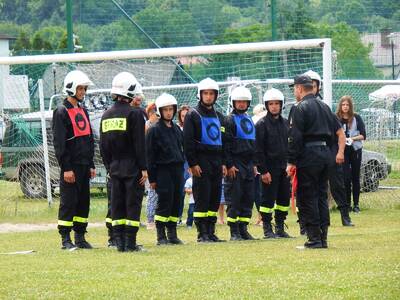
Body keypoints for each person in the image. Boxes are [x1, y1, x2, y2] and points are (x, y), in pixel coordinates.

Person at [287, 74, 339, 249]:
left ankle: (313, 239)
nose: (295, 92)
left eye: (295, 89)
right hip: (325, 155)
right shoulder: (325, 107)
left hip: (309, 155)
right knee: (321, 196)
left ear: (300, 88)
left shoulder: (300, 108)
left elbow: (295, 136)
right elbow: (335, 132)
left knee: (308, 197)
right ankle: (323, 238)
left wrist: (291, 161)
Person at [100, 72, 147, 252]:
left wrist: (108, 167)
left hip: (114, 168)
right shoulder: (134, 114)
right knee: (132, 204)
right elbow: (139, 145)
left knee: (117, 205)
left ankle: (119, 243)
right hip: (132, 168)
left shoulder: (105, 115)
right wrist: (144, 168)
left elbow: (103, 146)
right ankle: (130, 243)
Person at [53, 70, 96, 250]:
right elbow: (59, 144)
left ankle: (80, 237)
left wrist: (91, 164)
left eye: (84, 88)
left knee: (83, 202)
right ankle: (65, 239)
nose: (83, 92)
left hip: (84, 165)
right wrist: (67, 168)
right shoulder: (61, 112)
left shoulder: (82, 110)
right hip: (71, 167)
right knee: (68, 202)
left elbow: (89, 139)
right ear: (71, 88)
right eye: (80, 88)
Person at [305, 70, 352, 226]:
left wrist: (339, 152)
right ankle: (308, 222)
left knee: (337, 185)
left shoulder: (325, 108)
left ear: (318, 87)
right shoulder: (299, 109)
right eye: (308, 86)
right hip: (310, 156)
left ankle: (345, 215)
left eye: (313, 85)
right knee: (311, 188)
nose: (311, 88)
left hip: (329, 153)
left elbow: (340, 134)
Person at [183, 77, 226, 243]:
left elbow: (223, 141)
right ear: (200, 95)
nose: (208, 97)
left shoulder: (219, 116)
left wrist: (223, 162)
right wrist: (193, 163)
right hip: (201, 160)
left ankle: (211, 231)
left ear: (216, 96)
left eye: (211, 94)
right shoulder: (192, 115)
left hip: (216, 160)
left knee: (214, 197)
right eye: (205, 93)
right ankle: (202, 233)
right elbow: (187, 141)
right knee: (202, 196)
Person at [146, 93, 185, 245]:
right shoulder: (154, 130)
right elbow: (149, 156)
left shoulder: (176, 129)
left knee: (177, 200)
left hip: (177, 170)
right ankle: (161, 236)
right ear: (160, 111)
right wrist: (153, 178)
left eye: (171, 109)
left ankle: (172, 234)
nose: (169, 112)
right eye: (165, 109)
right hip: (163, 171)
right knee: (165, 201)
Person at [255, 88, 291, 239]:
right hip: (269, 169)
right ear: (267, 105)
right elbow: (258, 150)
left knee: (283, 199)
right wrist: (263, 171)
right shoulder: (261, 124)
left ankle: (280, 227)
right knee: (267, 200)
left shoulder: (285, 123)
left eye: (277, 103)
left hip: (284, 169)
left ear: (281, 105)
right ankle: (267, 229)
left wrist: (290, 164)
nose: (274, 106)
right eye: (271, 104)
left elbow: (290, 145)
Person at [223, 86, 257, 241]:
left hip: (249, 165)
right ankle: (234, 231)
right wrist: (229, 164)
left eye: (244, 101)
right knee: (234, 198)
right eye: (239, 101)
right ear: (233, 102)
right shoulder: (229, 120)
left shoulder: (249, 119)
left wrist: (255, 164)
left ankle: (243, 229)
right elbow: (226, 145)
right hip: (235, 164)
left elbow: (254, 144)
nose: (242, 104)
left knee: (247, 197)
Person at [336, 95, 366, 213]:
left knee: (355, 177)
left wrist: (353, 138)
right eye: (343, 105)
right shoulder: (337, 118)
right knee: (346, 178)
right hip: (343, 151)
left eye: (347, 105)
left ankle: (356, 204)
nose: (345, 107)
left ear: (350, 106)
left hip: (355, 149)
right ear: (340, 106)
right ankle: (347, 203)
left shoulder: (356, 118)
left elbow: (363, 135)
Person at [144, 102, 159, 230]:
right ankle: (150, 219)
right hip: (150, 164)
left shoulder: (162, 125)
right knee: (152, 192)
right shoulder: (147, 125)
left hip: (160, 164)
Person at [252, 104, 266, 226]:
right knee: (258, 192)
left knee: (261, 192)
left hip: (264, 163)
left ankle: (263, 218)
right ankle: (260, 217)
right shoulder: (254, 123)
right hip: (257, 163)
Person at [177, 105, 190, 225]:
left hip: (191, 161)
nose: (185, 118)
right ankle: (178, 216)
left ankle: (193, 217)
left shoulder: (194, 129)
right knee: (180, 191)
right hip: (181, 162)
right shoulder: (177, 129)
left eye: (187, 116)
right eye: (182, 116)